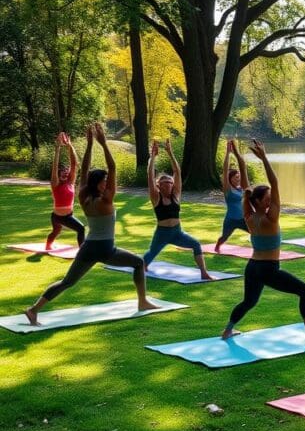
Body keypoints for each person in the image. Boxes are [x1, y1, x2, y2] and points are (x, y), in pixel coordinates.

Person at [25, 124, 157, 325]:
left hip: (88, 248)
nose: (107, 182)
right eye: (104, 180)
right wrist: (103, 144)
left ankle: (34, 309)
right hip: (105, 249)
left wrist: (88, 145)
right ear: (99, 183)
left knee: (68, 282)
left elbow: (84, 169)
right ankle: (142, 301)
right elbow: (112, 168)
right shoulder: (106, 200)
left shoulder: (83, 196)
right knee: (138, 263)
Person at [221, 141, 305, 344]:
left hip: (253, 267)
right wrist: (264, 158)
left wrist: (242, 158)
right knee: (304, 290)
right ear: (260, 201)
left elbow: (248, 190)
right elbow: (275, 183)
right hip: (268, 269)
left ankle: (228, 330)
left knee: (249, 301)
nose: (272, 199)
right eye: (268, 197)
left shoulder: (248, 215)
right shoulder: (270, 218)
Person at [143, 139, 212, 280]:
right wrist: (152, 158)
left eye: (170, 182)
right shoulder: (156, 197)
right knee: (149, 257)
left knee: (196, 244)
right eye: (165, 183)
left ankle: (204, 273)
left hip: (177, 232)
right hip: (162, 234)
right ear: (159, 185)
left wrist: (170, 153)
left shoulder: (176, 196)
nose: (169, 184)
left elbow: (177, 171)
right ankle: (142, 268)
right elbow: (150, 176)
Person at [46, 132, 85, 249]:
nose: (65, 172)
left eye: (66, 172)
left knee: (57, 231)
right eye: (62, 171)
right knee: (80, 229)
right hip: (59, 217)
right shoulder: (56, 184)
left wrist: (70, 146)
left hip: (65, 215)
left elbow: (74, 164)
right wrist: (57, 148)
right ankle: (82, 252)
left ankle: (48, 245)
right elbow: (55, 166)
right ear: (58, 174)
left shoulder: (71, 182)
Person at [214, 140, 249, 252]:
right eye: (235, 177)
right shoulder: (228, 189)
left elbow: (243, 167)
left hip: (243, 219)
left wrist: (236, 152)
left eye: (239, 177)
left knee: (255, 232)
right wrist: (228, 153)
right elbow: (225, 170)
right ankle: (217, 246)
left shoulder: (242, 188)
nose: (238, 179)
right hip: (231, 219)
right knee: (224, 237)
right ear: (230, 179)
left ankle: (259, 250)